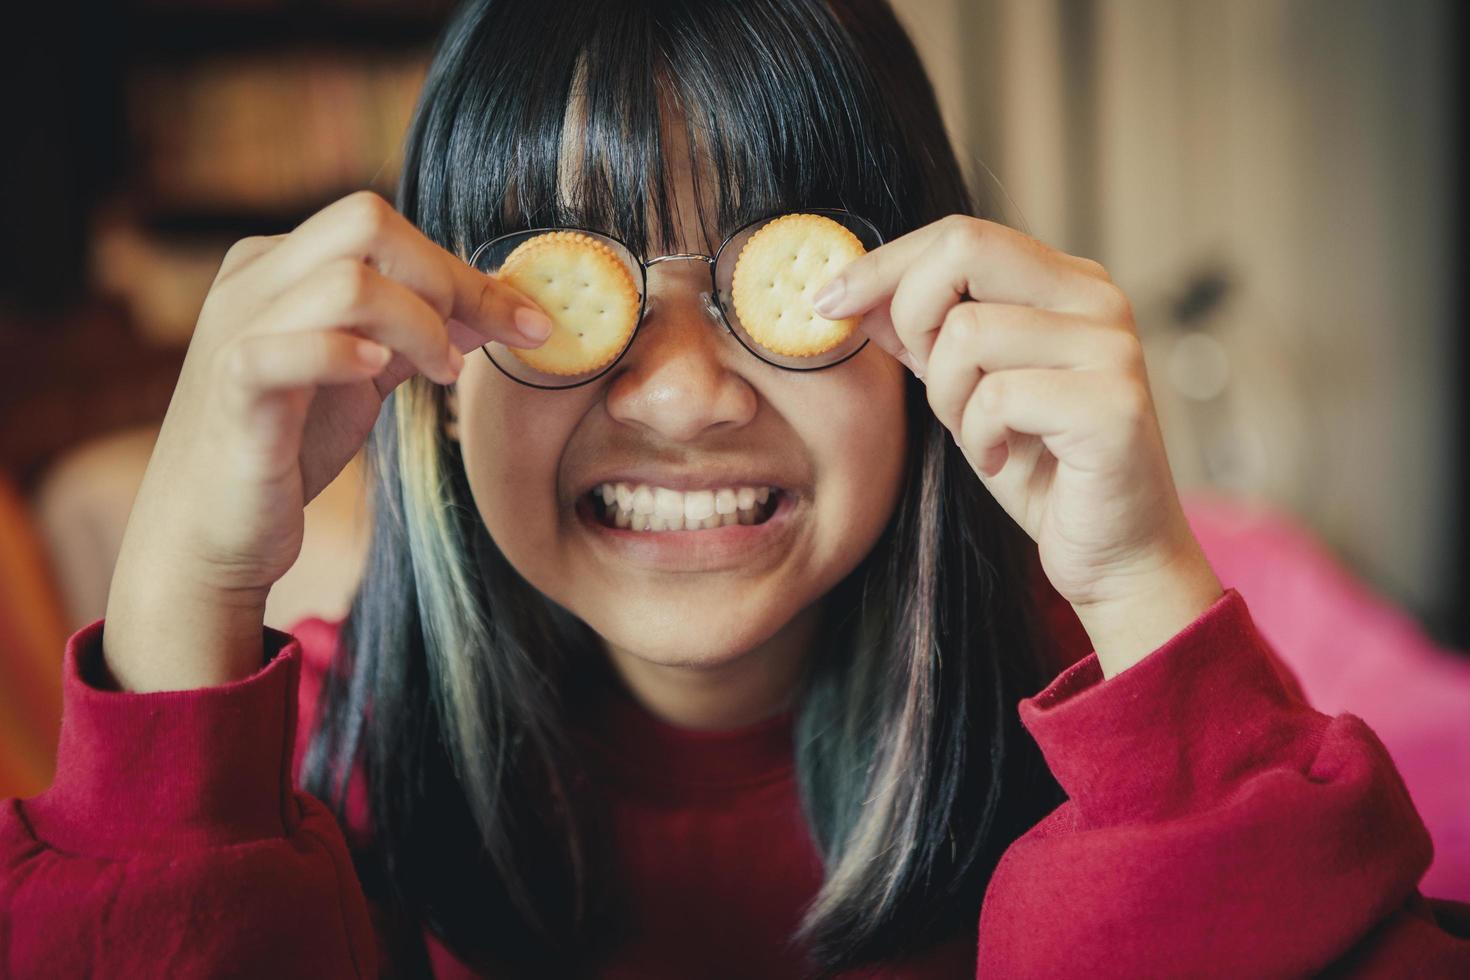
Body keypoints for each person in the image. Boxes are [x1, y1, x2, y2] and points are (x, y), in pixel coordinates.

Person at [4, 0, 1468, 976]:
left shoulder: (1110, 744)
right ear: (441, 374)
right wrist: (182, 593)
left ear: (918, 327)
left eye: (792, 270)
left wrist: (1146, 579)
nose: (689, 393)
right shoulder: (305, 786)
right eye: (570, 285)